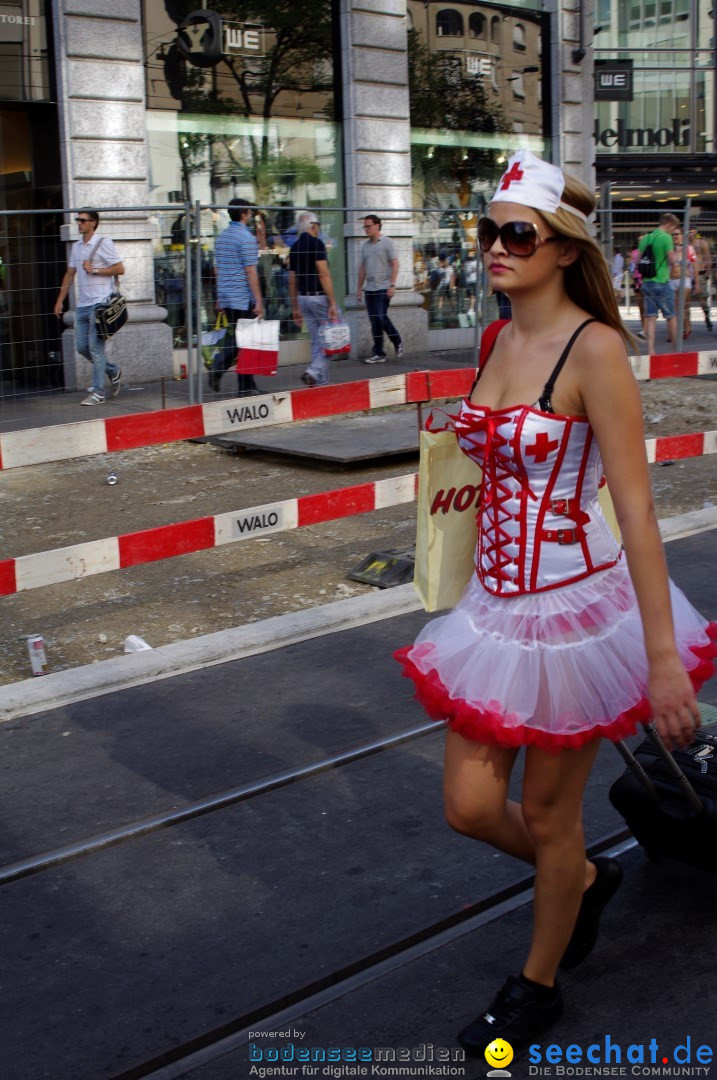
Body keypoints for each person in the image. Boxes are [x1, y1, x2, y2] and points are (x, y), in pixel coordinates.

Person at [394, 150, 716, 1053]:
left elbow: (640, 515)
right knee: (466, 805)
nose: (494, 246)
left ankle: (535, 988)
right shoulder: (496, 341)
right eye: (486, 230)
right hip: (495, 607)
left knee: (547, 815)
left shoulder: (596, 349)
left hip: (576, 612)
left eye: (515, 233)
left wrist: (661, 661)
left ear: (564, 248)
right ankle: (573, 880)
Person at [54, 209, 124, 406]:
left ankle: (98, 392)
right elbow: (70, 274)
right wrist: (60, 300)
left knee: (95, 348)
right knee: (82, 347)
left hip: (100, 304)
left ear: (94, 223)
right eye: (78, 220)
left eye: (83, 220)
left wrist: (94, 269)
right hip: (82, 305)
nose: (79, 223)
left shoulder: (103, 243)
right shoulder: (76, 247)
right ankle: (112, 370)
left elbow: (120, 269)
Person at [211, 198, 264, 397]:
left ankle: (247, 386)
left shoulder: (222, 237)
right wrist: (258, 300)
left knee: (242, 341)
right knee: (245, 342)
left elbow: (218, 270)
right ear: (243, 213)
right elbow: (251, 271)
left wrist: (219, 296)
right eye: (249, 212)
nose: (251, 215)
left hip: (227, 296)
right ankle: (222, 370)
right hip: (242, 297)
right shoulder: (246, 238)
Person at [289, 211, 339, 387]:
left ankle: (320, 385)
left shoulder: (294, 248)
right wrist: (332, 302)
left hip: (303, 298)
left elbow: (292, 280)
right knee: (335, 339)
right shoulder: (317, 244)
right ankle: (314, 372)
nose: (318, 229)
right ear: (312, 226)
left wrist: (295, 307)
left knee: (317, 341)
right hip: (319, 298)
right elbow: (324, 275)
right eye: (317, 226)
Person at [356, 214, 404, 363]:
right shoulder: (365, 246)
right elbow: (363, 268)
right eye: (365, 226)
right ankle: (378, 353)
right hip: (369, 289)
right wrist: (359, 289)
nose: (366, 229)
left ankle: (397, 341)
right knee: (374, 321)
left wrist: (392, 285)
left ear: (377, 225)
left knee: (380, 317)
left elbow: (395, 264)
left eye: (368, 226)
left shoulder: (387, 242)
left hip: (383, 287)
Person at [638, 213, 679, 355]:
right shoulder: (666, 238)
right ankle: (676, 349)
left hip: (647, 282)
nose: (672, 232)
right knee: (671, 316)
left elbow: (638, 260)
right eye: (672, 228)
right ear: (668, 224)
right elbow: (672, 260)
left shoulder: (646, 238)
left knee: (651, 317)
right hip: (662, 281)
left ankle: (651, 350)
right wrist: (675, 264)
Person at [669, 229, 697, 340]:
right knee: (679, 307)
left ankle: (678, 332)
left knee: (680, 305)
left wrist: (697, 283)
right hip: (672, 280)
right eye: (673, 234)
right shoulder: (670, 249)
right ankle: (686, 327)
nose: (675, 236)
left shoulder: (688, 249)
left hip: (685, 280)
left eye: (677, 234)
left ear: (682, 235)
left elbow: (694, 267)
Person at [688, 227, 712, 331]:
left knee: (702, 300)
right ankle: (687, 326)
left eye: (693, 230)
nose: (691, 233)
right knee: (685, 302)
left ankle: (706, 316)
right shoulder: (685, 244)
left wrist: (707, 272)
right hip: (688, 275)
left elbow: (708, 258)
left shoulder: (702, 243)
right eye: (690, 231)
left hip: (700, 273)